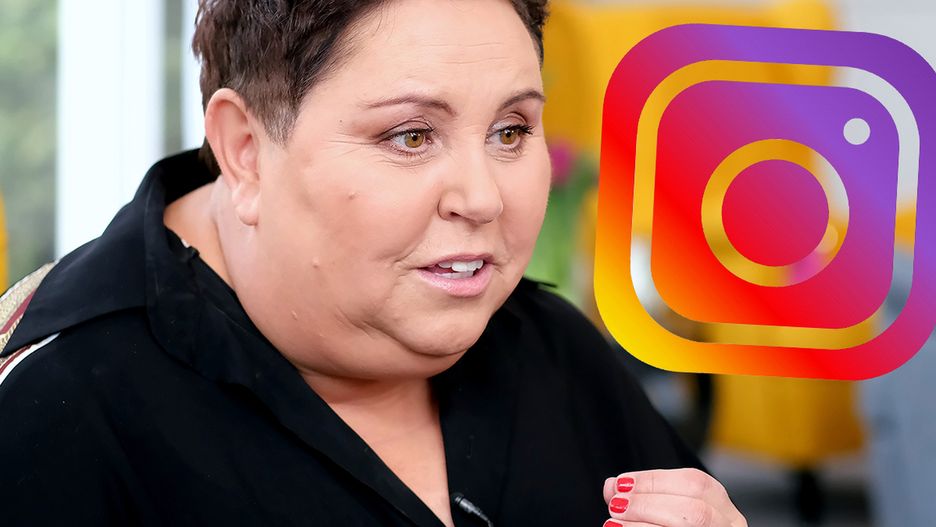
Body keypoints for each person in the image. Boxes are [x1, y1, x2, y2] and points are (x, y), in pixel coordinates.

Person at [0, 1, 747, 525]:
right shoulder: (54, 412)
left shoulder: (555, 350)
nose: (484, 198)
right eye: (411, 136)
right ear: (246, 152)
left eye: (512, 130)